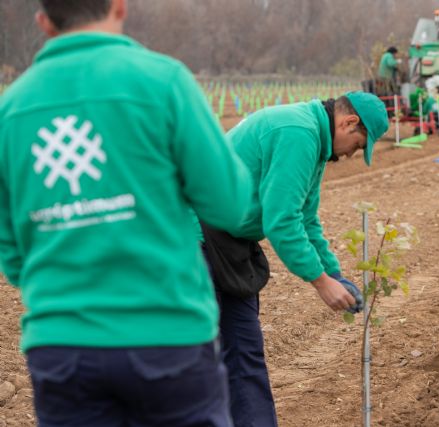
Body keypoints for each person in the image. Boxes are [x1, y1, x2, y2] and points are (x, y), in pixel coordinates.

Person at [0, 0, 252, 425]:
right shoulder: (164, 81)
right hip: (167, 335)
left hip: (62, 348)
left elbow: (12, 254)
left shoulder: (11, 111)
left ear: (43, 21)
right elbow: (229, 203)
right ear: (120, 7)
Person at [200, 92, 389, 426]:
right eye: (358, 145)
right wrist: (320, 282)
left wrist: (335, 274)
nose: (351, 155)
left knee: (245, 353)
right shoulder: (298, 131)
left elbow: (307, 219)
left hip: (232, 245)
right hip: (195, 237)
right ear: (348, 122)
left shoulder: (314, 141)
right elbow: (281, 220)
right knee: (197, 357)